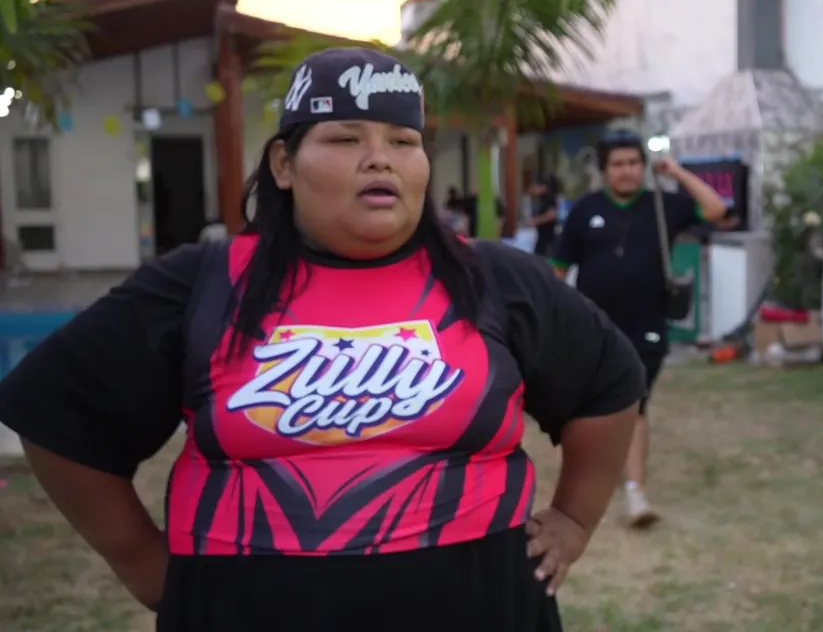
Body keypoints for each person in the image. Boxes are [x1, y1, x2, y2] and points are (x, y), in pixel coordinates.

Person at [0, 47, 645, 631]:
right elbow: (57, 411)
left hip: (480, 605)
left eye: (403, 140)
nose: (379, 157)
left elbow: (608, 381)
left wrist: (573, 519)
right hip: (244, 609)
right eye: (345, 137)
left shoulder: (493, 278)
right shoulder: (205, 282)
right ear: (284, 163)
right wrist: (141, 562)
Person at [549, 129, 726, 527]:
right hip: (593, 328)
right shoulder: (585, 211)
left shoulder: (663, 205)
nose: (626, 171)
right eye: (618, 164)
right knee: (589, 408)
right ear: (605, 170)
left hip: (647, 325)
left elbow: (715, 209)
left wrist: (676, 172)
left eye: (633, 163)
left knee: (634, 405)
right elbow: (557, 270)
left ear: (643, 167)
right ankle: (590, 479)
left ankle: (635, 494)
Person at [529, 173, 562, 256]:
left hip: (547, 238)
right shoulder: (540, 199)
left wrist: (537, 221)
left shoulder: (550, 198)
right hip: (541, 236)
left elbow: (552, 215)